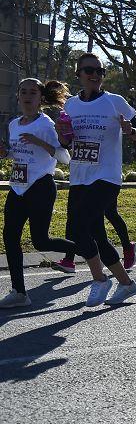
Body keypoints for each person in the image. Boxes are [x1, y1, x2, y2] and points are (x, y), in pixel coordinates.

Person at [56, 53, 136, 306]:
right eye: (88, 70)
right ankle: (126, 284)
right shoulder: (71, 106)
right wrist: (62, 136)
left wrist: (131, 131)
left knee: (77, 228)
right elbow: (67, 142)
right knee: (96, 234)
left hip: (106, 175)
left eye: (99, 70)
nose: (95, 74)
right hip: (80, 176)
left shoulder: (115, 102)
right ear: (78, 75)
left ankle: (100, 279)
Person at [0, 79, 79, 308]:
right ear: (18, 96)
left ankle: (87, 249)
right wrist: (6, 153)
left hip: (41, 186)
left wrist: (39, 141)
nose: (27, 96)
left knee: (41, 242)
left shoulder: (46, 125)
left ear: (40, 98)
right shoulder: (14, 124)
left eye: (32, 92)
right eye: (23, 91)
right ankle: (19, 292)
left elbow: (64, 157)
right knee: (10, 237)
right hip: (17, 186)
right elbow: (19, 154)